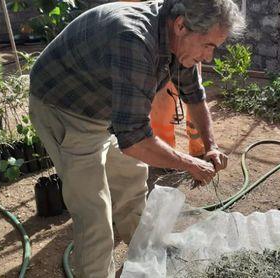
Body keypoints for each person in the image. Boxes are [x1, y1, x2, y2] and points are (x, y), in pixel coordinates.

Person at [28, 0, 245, 276]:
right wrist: (191, 164)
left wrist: (211, 147)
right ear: (180, 26)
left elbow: (194, 95)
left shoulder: (180, 39)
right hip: (67, 108)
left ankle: (143, 253)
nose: (210, 57)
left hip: (108, 107)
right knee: (94, 214)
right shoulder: (134, 39)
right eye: (209, 46)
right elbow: (135, 141)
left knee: (132, 182)